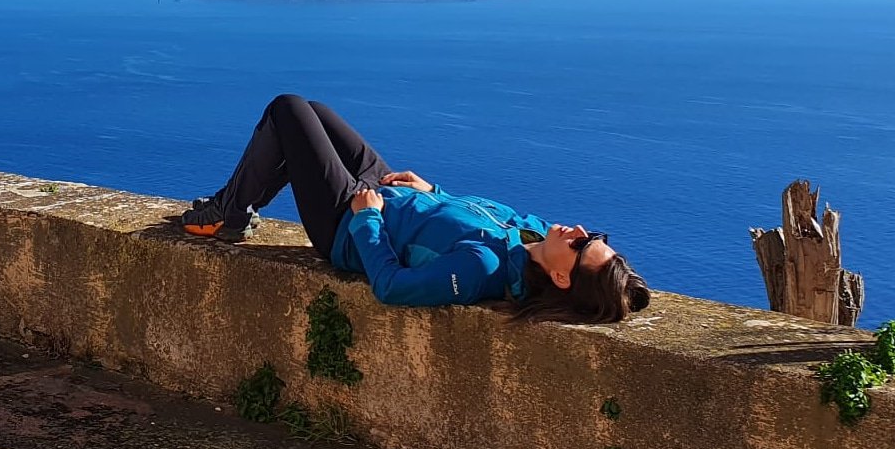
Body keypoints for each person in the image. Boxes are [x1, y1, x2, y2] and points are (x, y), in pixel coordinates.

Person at [179, 93, 651, 322]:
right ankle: (230, 209)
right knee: (313, 112)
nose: (580, 231)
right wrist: (435, 192)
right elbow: (464, 214)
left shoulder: (480, 268)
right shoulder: (531, 235)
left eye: (583, 245)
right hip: (390, 192)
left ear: (562, 278)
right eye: (596, 237)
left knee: (288, 111)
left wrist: (365, 220)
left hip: (348, 224)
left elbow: (391, 286)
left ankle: (228, 212)